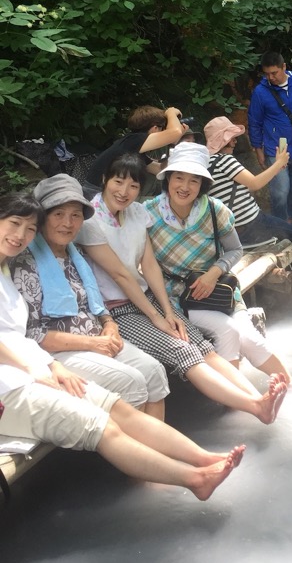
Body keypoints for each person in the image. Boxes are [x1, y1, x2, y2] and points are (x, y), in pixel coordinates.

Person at [0, 191, 246, 501]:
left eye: (29, 228)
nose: (20, 235)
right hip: (12, 387)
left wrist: (53, 365)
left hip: (36, 369)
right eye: (13, 224)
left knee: (117, 406)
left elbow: (15, 336)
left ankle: (202, 458)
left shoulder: (7, 272)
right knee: (99, 422)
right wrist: (40, 368)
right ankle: (194, 478)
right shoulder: (21, 267)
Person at [78, 152, 288, 424]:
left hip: (149, 296)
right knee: (182, 350)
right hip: (116, 309)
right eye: (118, 182)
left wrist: (167, 311)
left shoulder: (137, 213)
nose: (124, 191)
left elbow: (149, 265)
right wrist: (157, 318)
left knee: (200, 345)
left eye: (133, 186)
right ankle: (254, 406)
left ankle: (259, 401)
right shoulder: (90, 221)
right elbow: (120, 275)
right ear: (105, 180)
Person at [12, 175, 170, 418]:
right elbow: (33, 334)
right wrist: (93, 343)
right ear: (42, 219)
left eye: (75, 215)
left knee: (154, 371)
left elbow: (97, 305)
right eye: (58, 214)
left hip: (98, 341)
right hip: (59, 353)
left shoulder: (77, 256)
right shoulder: (26, 264)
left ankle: (162, 448)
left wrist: (109, 325)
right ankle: (142, 453)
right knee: (132, 381)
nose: (68, 223)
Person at [144, 143, 292, 383]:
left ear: (203, 184)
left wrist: (214, 273)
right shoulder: (148, 213)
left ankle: (288, 384)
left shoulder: (215, 210)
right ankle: (238, 402)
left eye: (194, 180)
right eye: (178, 178)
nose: (184, 186)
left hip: (219, 291)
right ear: (168, 178)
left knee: (250, 337)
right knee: (228, 330)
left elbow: (235, 249)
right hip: (176, 297)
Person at [204, 116, 292, 246]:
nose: (235, 141)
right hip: (250, 224)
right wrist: (279, 162)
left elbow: (247, 185)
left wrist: (277, 167)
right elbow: (255, 184)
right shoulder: (225, 160)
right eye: (232, 138)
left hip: (228, 229)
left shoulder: (208, 163)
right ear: (224, 140)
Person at [247, 51, 292, 222]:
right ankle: (280, 226)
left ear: (284, 67)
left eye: (274, 73)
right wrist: (258, 148)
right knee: (280, 191)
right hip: (275, 149)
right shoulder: (260, 92)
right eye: (267, 74)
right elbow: (254, 121)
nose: (270, 77)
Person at [84, 105, 187, 198]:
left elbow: (160, 169)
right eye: (163, 129)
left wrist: (173, 144)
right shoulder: (136, 140)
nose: (165, 134)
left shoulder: (133, 146)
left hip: (103, 191)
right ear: (155, 129)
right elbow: (175, 132)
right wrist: (171, 113)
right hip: (96, 193)